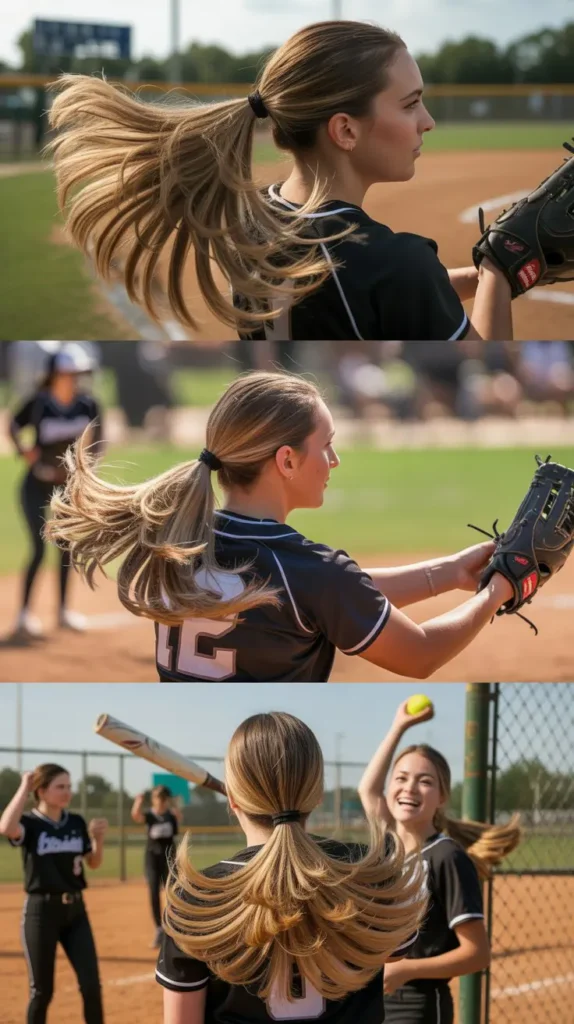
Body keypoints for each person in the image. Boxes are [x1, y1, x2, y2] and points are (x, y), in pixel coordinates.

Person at [48, 21, 513, 342]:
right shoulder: (391, 261)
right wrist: (500, 268)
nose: (426, 121)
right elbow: (479, 352)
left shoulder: (256, 219)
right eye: (410, 104)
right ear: (345, 130)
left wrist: (480, 278)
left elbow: (389, 299)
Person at [46, 370, 518, 683]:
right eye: (326, 445)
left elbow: (330, 596)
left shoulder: (181, 538)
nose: (335, 460)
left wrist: (451, 574)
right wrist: (497, 591)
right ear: (287, 460)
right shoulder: (306, 569)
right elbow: (420, 654)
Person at [155, 711, 427, 1023]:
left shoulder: (197, 899)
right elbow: (393, 952)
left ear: (232, 798)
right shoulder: (367, 872)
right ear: (317, 794)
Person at [358, 701, 521, 1023]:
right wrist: (398, 727)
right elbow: (367, 788)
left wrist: (405, 970)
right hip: (373, 1001)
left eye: (425, 781)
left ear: (442, 797)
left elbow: (477, 954)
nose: (409, 788)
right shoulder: (388, 845)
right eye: (401, 778)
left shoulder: (447, 855)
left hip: (418, 1005)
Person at [0, 764, 108, 1024]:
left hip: (76, 913)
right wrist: (24, 786)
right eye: (60, 787)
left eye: (69, 786)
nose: (67, 792)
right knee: (42, 992)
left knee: (91, 986)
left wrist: (98, 841)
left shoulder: (75, 822)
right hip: (41, 913)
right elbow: (6, 828)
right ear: (42, 791)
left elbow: (92, 863)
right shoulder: (30, 823)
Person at [8, 344, 103, 639]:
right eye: (68, 373)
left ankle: (62, 611)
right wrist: (28, 455)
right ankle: (24, 614)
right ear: (54, 374)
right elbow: (12, 425)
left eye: (78, 373)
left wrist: (86, 473)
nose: (74, 379)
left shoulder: (88, 405)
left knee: (65, 546)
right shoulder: (39, 403)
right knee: (38, 548)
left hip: (67, 487)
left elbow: (98, 443)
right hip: (36, 485)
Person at [131, 785, 182, 948]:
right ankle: (159, 929)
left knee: (172, 892)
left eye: (163, 798)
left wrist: (174, 806)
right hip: (153, 858)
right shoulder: (150, 815)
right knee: (153, 891)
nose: (160, 801)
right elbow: (136, 816)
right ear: (153, 799)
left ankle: (174, 926)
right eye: (157, 798)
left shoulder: (171, 815)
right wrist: (138, 802)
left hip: (169, 858)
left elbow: (178, 818)